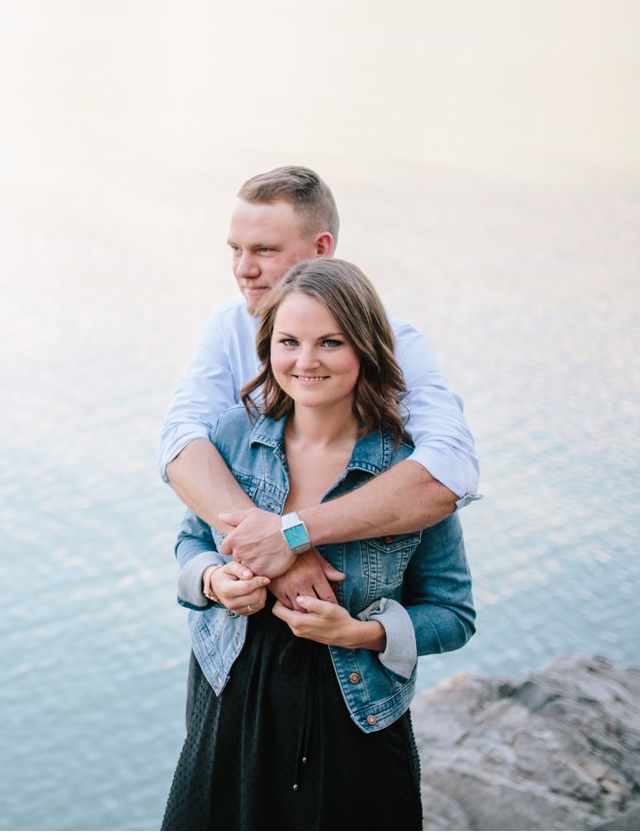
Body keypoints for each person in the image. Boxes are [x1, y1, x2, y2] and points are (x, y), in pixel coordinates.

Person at [160, 258, 475, 829]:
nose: (305, 362)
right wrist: (213, 580)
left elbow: (454, 614)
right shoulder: (231, 436)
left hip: (354, 719)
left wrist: (359, 633)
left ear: (367, 349)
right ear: (267, 346)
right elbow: (189, 547)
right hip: (231, 702)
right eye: (289, 341)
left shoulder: (404, 472)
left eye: (330, 342)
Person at [158, 166, 478, 612]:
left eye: (264, 250)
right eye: (235, 250)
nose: (243, 270)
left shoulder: (396, 342)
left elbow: (449, 470)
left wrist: (293, 534)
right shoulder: (227, 326)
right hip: (229, 649)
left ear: (321, 249)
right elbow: (180, 446)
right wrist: (272, 554)